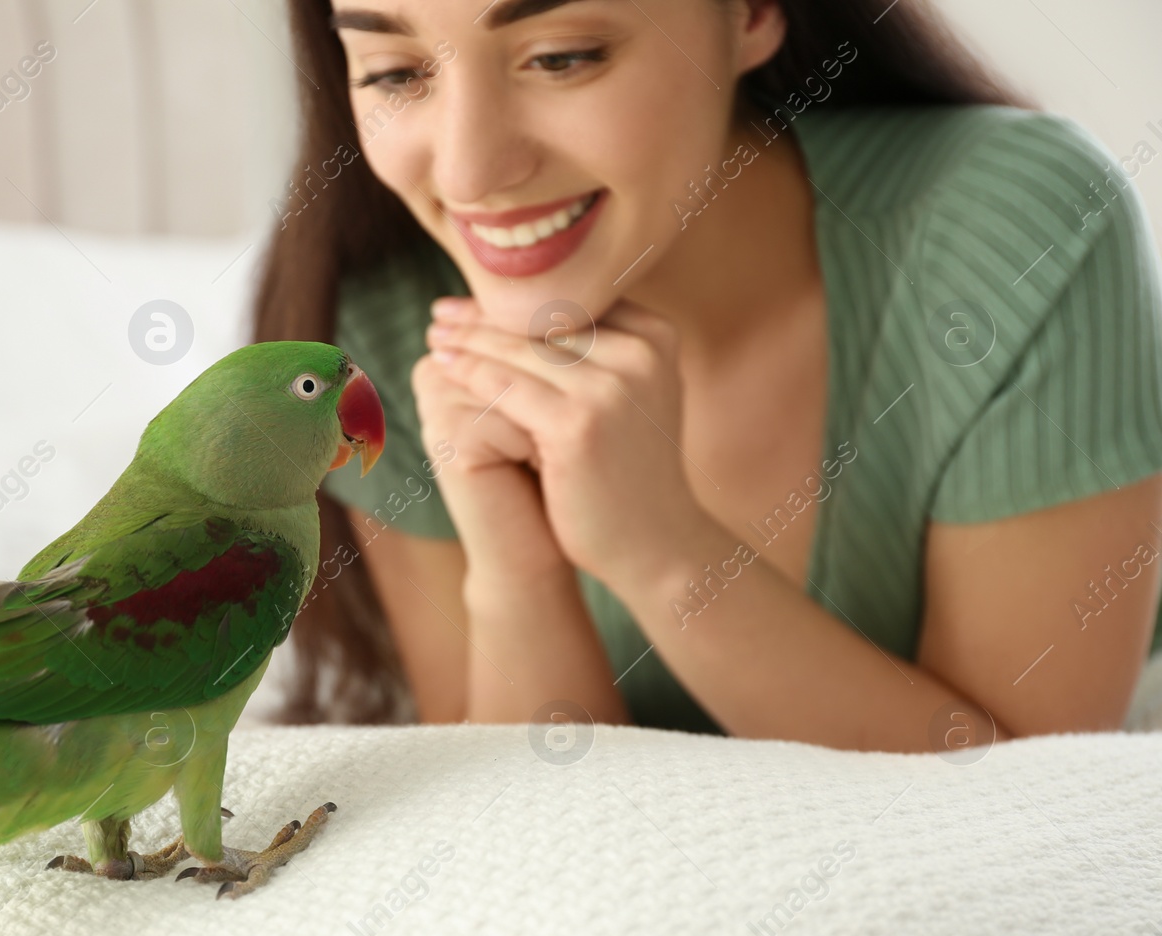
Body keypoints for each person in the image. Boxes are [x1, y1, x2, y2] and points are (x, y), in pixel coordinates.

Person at [253, 0, 1162, 750]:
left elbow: (1028, 802)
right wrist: (517, 571)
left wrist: (666, 553)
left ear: (754, 13)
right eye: (396, 73)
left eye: (562, 57)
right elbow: (519, 838)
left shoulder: (1016, 231)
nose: (470, 169)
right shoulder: (379, 323)